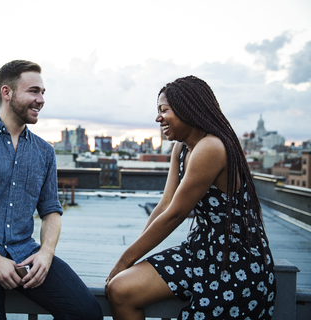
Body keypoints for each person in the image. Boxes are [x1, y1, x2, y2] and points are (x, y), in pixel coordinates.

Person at [0, 60, 103, 320]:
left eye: (42, 93)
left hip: (25, 254)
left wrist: (46, 253)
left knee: (87, 313)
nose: (41, 100)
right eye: (33, 91)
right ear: (7, 93)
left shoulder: (45, 151)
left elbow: (51, 210)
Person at [105, 76, 276, 320]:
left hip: (235, 261)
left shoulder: (212, 147)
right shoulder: (182, 147)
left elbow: (175, 214)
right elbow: (164, 206)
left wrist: (124, 261)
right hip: (201, 250)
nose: (158, 118)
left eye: (164, 110)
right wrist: (135, 256)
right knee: (120, 289)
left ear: (188, 109)